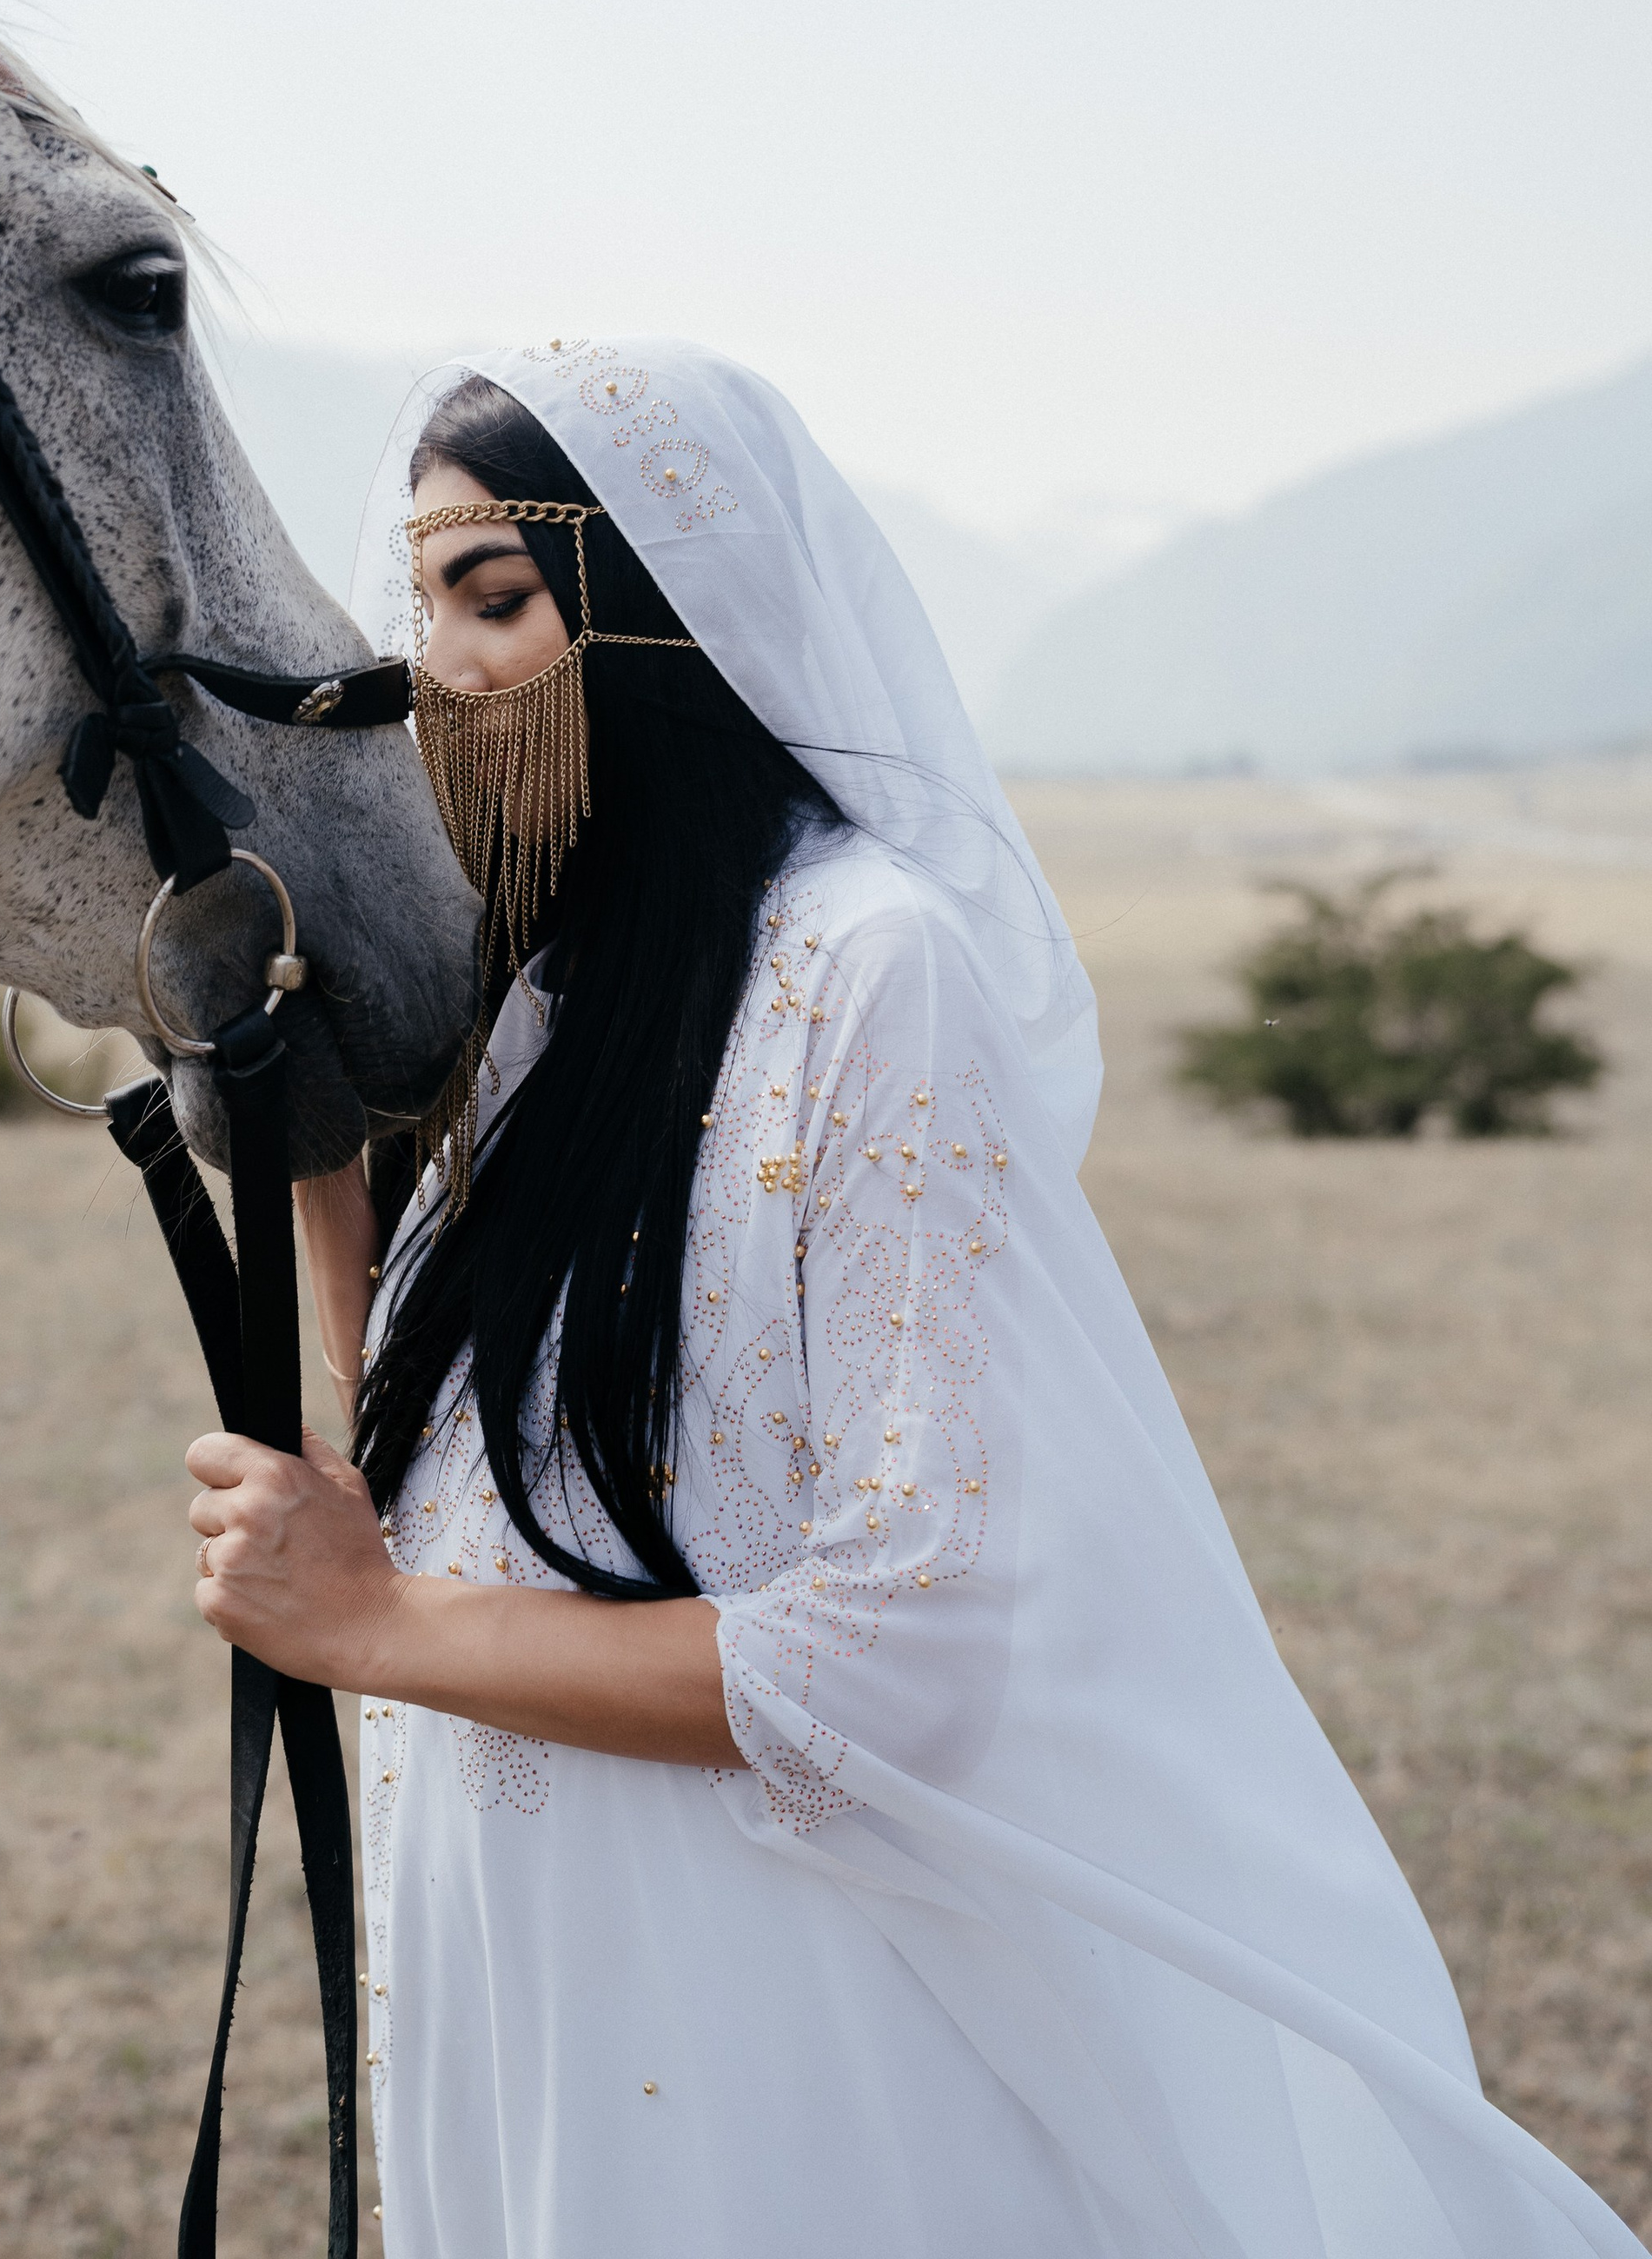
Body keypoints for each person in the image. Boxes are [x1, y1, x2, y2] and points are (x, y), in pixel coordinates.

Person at [185, 336, 1637, 2259]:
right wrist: (310, 1153)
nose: (432, 672)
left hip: (761, 2001)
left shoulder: (868, 972)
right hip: (517, 1961)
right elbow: (449, 1483)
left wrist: (375, 1626)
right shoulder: (545, 1000)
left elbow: (903, 1653)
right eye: (421, 605)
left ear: (672, 616)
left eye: (496, 598)